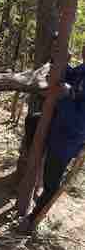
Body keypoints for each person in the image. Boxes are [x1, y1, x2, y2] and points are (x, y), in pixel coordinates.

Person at [20, 43, 85, 233]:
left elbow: (79, 123)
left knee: (51, 182)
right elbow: (70, 76)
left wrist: (63, 96)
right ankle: (32, 159)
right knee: (33, 120)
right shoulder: (83, 69)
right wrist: (61, 62)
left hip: (67, 140)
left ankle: (34, 220)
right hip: (57, 124)